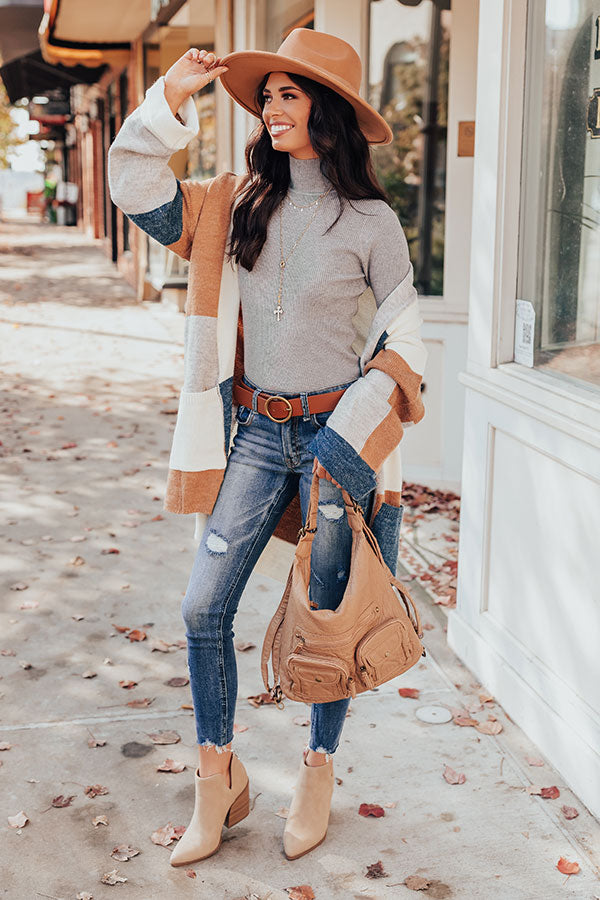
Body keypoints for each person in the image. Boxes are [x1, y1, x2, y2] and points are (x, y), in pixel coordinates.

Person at [108, 27, 427, 867]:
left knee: (330, 623)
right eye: (269, 96)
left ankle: (317, 772)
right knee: (202, 608)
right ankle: (219, 785)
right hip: (254, 434)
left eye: (291, 95)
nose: (272, 108)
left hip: (335, 442)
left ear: (329, 112)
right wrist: (170, 96)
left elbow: (408, 339)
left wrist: (347, 439)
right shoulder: (236, 202)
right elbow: (134, 186)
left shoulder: (371, 220)